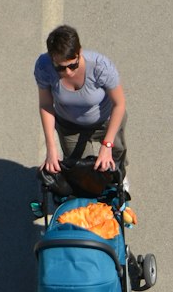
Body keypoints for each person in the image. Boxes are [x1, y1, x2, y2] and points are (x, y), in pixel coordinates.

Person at [34, 25, 127, 178]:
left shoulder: (100, 67)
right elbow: (45, 105)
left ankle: (119, 178)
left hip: (106, 121)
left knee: (115, 155)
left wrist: (107, 144)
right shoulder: (44, 67)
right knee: (82, 172)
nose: (68, 72)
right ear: (51, 59)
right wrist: (51, 148)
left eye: (73, 65)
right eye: (60, 68)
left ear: (79, 52)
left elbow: (119, 104)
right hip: (70, 126)